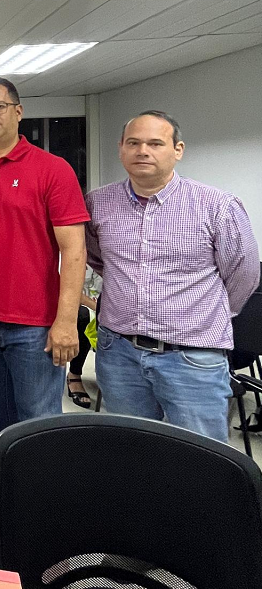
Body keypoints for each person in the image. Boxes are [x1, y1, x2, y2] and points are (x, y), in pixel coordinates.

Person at [0, 77, 89, 530]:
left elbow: (74, 250)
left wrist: (66, 322)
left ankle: (45, 521)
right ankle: (6, 502)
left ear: (18, 111)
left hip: (35, 326)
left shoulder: (52, 169)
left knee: (39, 422)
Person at [86, 110, 259, 441]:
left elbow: (244, 274)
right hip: (119, 354)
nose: (143, 151)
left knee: (200, 457)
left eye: (155, 143)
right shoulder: (98, 203)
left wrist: (206, 316)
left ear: (178, 150)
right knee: (130, 450)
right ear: (120, 148)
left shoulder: (217, 205)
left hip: (191, 358)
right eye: (133, 143)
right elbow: (98, 258)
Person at [66, 268, 102, 409]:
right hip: (79, 305)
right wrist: (99, 310)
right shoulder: (79, 256)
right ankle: (74, 374)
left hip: (110, 308)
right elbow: (72, 292)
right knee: (84, 317)